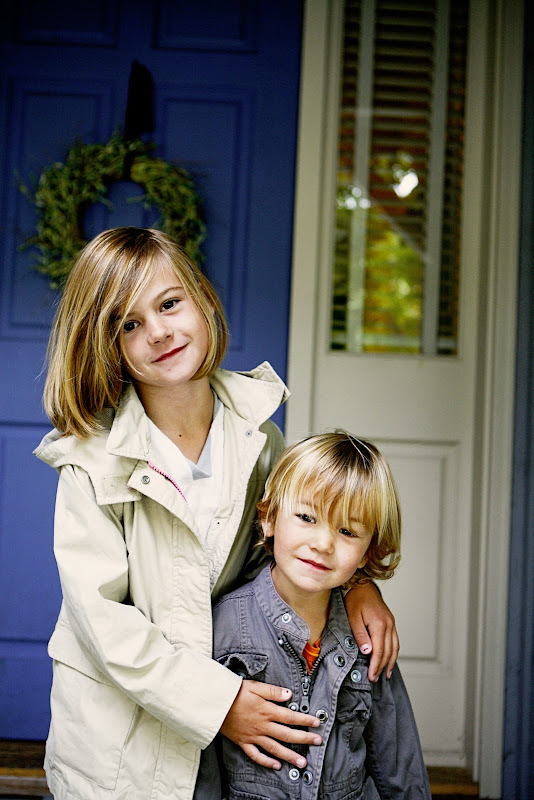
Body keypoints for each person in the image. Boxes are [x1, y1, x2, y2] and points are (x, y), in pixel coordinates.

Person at [34, 227, 399, 800]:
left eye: (168, 304)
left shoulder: (259, 438)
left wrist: (356, 587)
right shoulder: (90, 461)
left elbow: (289, 549)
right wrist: (220, 702)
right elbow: (101, 621)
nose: (158, 331)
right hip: (118, 745)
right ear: (106, 345)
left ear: (202, 300)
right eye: (128, 324)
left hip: (224, 748)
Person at [196, 432, 431, 800]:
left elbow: (399, 764)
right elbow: (200, 771)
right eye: (306, 517)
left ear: (369, 552)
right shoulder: (222, 627)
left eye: (347, 531)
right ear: (269, 519)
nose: (323, 544)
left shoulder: (368, 638)